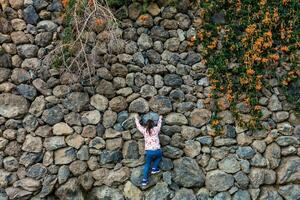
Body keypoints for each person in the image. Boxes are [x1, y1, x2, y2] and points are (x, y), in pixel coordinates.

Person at [135, 114, 163, 186]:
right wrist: (160, 118)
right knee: (159, 157)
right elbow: (159, 124)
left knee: (147, 164)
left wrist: (136, 119)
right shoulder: (156, 129)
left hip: (149, 152)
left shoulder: (144, 131)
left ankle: (144, 180)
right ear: (153, 125)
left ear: (146, 125)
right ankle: (154, 168)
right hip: (157, 151)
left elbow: (138, 126)